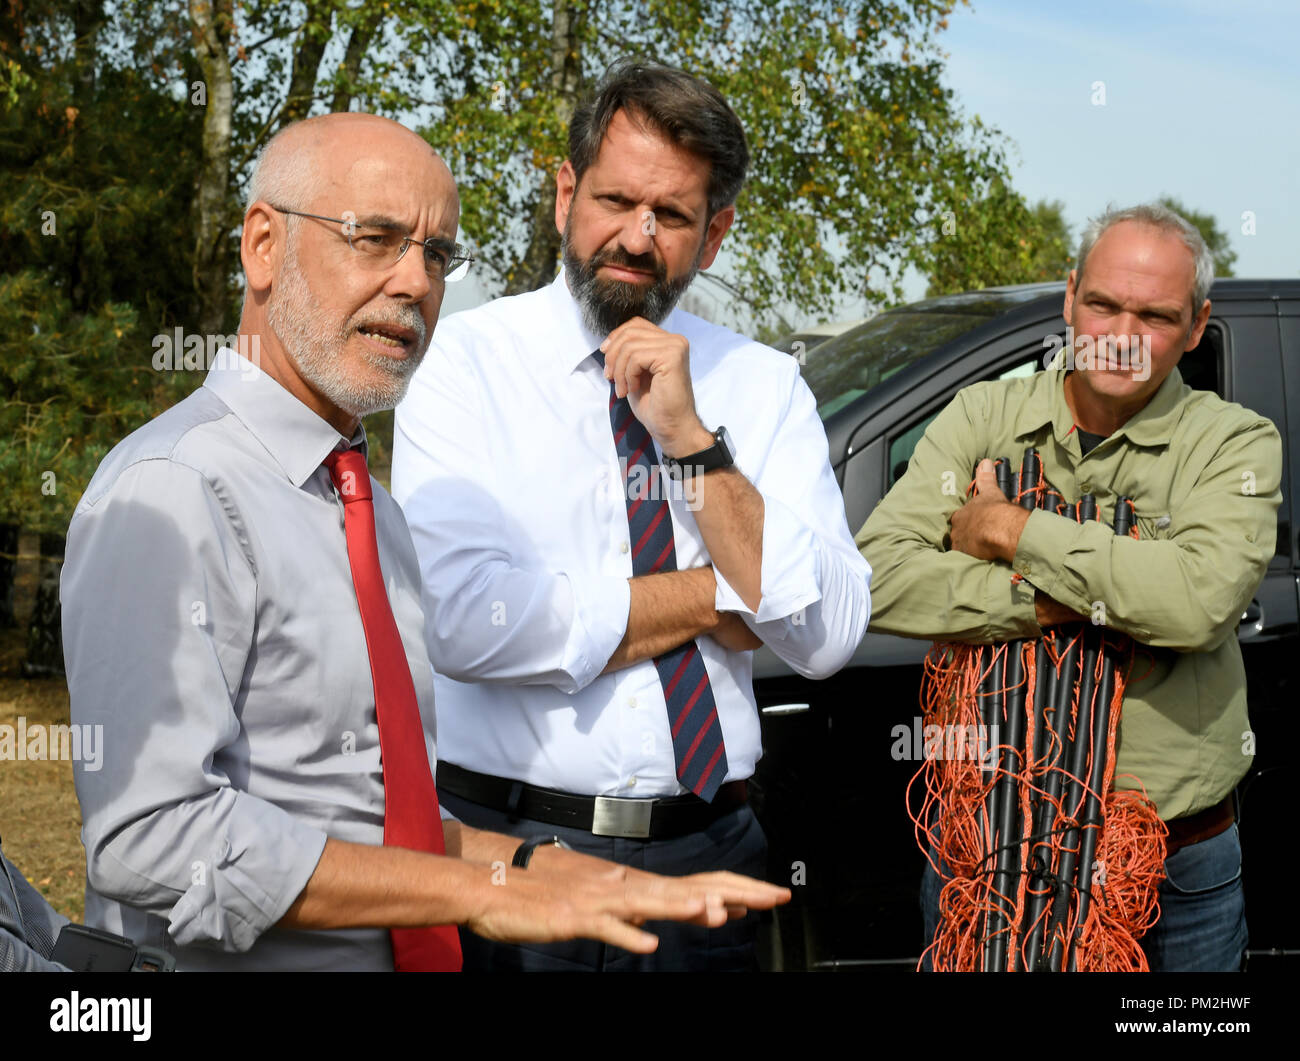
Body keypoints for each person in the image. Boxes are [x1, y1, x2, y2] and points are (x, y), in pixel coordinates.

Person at [59, 112, 789, 972]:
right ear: (263, 246)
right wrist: (483, 893)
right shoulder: (174, 488)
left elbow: (370, 816)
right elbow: (152, 837)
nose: (415, 282)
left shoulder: (370, 507)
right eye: (374, 238)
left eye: (437, 254)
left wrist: (522, 863)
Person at [391, 60, 871, 971]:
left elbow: (826, 633)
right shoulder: (465, 364)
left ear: (715, 233)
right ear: (566, 193)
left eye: (675, 215)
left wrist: (692, 440)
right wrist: (716, 598)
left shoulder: (763, 387)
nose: (638, 237)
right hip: (513, 855)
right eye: (615, 199)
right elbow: (463, 623)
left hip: (710, 859)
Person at [856, 202, 1281, 972]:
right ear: (1069, 297)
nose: (1122, 331)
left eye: (1155, 314)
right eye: (1104, 303)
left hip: (1174, 868)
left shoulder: (1234, 444)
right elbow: (878, 577)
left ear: (1196, 326)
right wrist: (1063, 597)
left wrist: (1011, 532)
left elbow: (1194, 602)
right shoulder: (985, 415)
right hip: (984, 856)